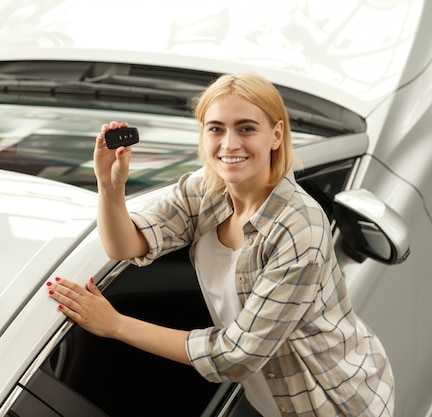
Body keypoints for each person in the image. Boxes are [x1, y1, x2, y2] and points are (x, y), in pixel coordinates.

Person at [47, 73, 395, 416]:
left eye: (246, 128)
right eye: (216, 128)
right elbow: (127, 246)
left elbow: (237, 356)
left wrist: (116, 325)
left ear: (276, 134)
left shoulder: (298, 228)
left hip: (332, 403)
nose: (229, 145)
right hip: (266, 395)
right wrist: (110, 188)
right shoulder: (204, 190)